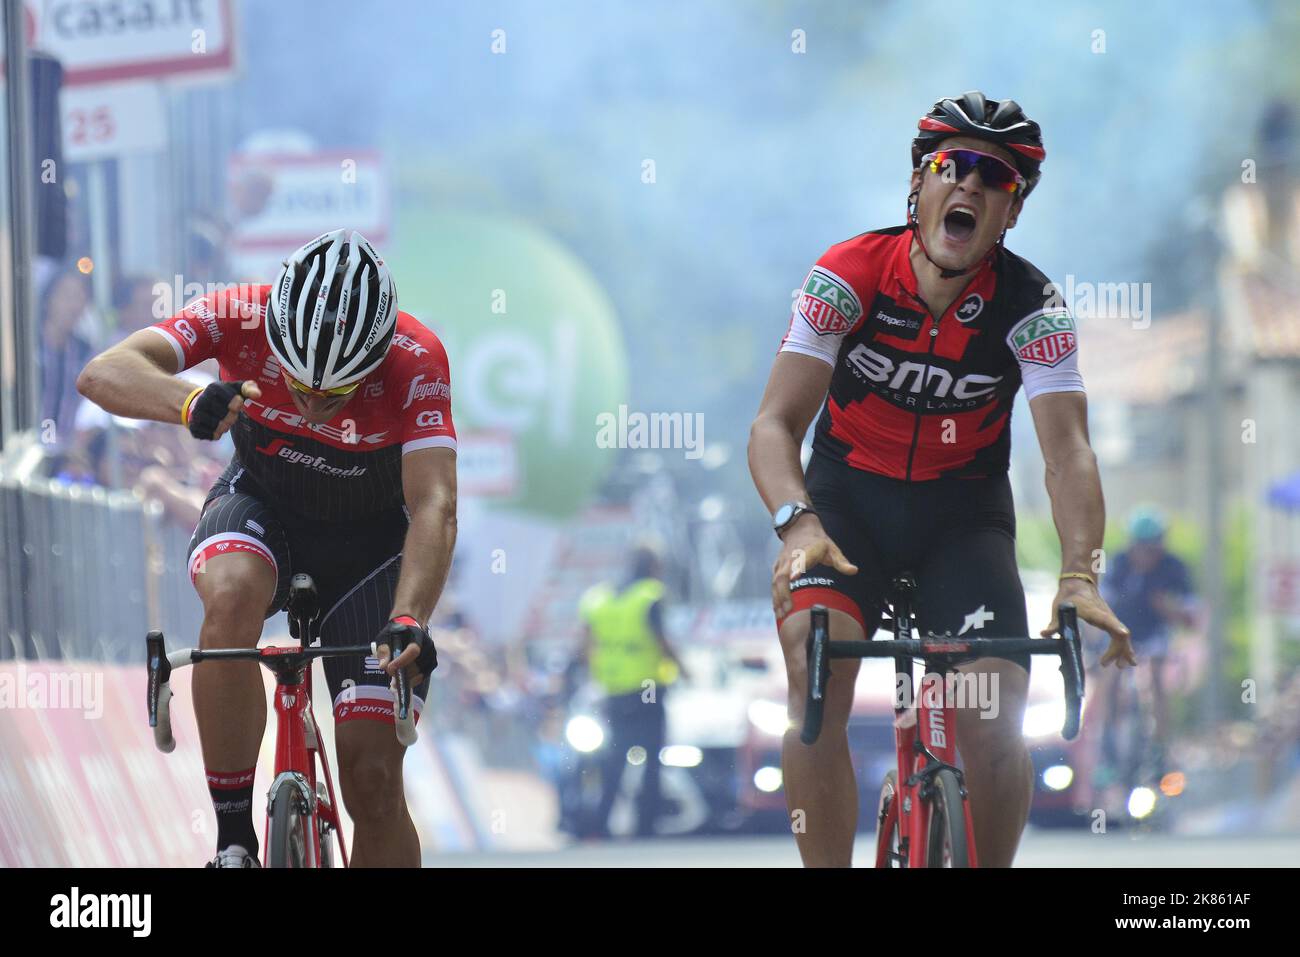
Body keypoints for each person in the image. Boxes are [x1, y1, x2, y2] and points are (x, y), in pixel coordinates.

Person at [748, 91, 1134, 867]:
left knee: (992, 718)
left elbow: (1068, 454)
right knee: (812, 679)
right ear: (917, 186)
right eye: (949, 166)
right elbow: (774, 426)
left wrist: (1079, 571)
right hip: (843, 509)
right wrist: (800, 525)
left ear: (1011, 213)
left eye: (995, 178)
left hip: (964, 521)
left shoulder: (1034, 307)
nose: (969, 185)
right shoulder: (847, 273)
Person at [77, 229, 458, 868]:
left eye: (333, 394)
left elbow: (435, 505)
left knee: (374, 784)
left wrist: (410, 616)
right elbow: (104, 371)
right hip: (262, 507)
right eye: (298, 384)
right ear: (276, 332)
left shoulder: (416, 359)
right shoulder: (240, 314)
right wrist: (190, 400)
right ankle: (234, 841)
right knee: (229, 599)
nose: (310, 405)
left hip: (370, 553)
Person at [576, 543, 688, 838]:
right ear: (653, 567)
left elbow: (584, 645)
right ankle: (646, 826)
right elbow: (662, 640)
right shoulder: (650, 595)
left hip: (613, 692)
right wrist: (686, 671)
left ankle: (599, 825)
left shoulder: (599, 599)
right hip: (648, 690)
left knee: (614, 761)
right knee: (651, 759)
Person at [1097, 507, 1196, 783]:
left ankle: (1161, 747)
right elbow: (1101, 604)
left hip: (1155, 631)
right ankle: (1107, 745)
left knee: (1157, 683)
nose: (1146, 554)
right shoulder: (1119, 564)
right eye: (1141, 547)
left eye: (1151, 548)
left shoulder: (1174, 567)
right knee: (1111, 678)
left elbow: (1191, 616)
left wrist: (1169, 609)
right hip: (1121, 630)